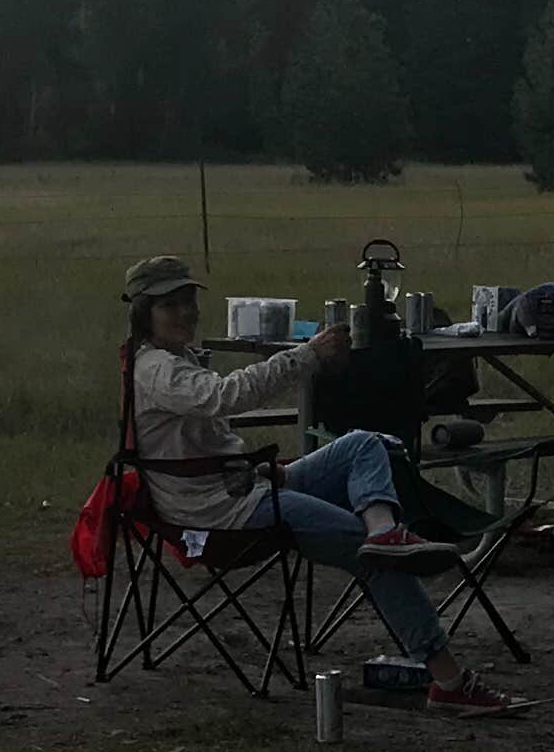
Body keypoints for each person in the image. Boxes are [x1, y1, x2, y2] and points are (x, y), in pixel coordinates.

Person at [115, 256, 524, 719]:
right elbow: (223, 397)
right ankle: (450, 681)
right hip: (218, 514)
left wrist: (256, 469)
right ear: (144, 313)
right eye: (170, 305)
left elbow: (201, 439)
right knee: (368, 554)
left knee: (361, 446)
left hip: (245, 484)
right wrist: (306, 356)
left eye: (188, 301)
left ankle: (384, 530)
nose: (185, 313)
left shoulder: (174, 358)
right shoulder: (156, 369)